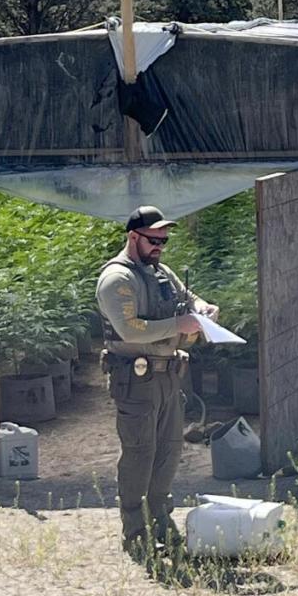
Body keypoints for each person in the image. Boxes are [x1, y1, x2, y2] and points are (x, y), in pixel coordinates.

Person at [96, 205, 218, 556]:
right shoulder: (117, 279)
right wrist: (179, 326)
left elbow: (187, 299)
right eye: (154, 240)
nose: (160, 246)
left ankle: (160, 519)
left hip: (168, 375)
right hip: (136, 378)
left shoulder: (160, 271)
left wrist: (204, 309)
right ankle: (135, 530)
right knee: (139, 453)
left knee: (168, 452)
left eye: (163, 240)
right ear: (134, 237)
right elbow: (128, 328)